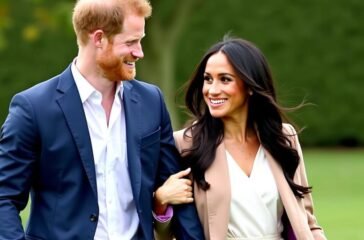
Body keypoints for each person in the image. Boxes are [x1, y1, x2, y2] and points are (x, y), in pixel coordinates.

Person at [0, 0, 204, 239]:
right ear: (98, 38)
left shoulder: (151, 102)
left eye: (140, 40)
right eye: (130, 42)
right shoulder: (33, 108)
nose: (140, 52)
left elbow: (178, 186)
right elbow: (4, 196)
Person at [154, 37, 327, 240]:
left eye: (225, 79)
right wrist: (160, 201)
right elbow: (168, 233)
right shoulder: (185, 144)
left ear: (251, 86)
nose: (212, 90)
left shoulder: (284, 138)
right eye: (208, 79)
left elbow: (306, 222)